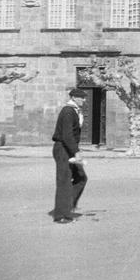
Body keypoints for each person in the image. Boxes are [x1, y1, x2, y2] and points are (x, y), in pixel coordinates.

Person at [51, 88, 88, 224]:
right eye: (81, 97)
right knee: (64, 181)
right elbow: (67, 135)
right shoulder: (68, 111)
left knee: (81, 177)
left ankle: (68, 206)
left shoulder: (74, 111)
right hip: (62, 149)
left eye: (84, 97)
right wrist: (76, 151)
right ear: (74, 97)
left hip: (69, 148)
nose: (84, 100)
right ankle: (61, 215)